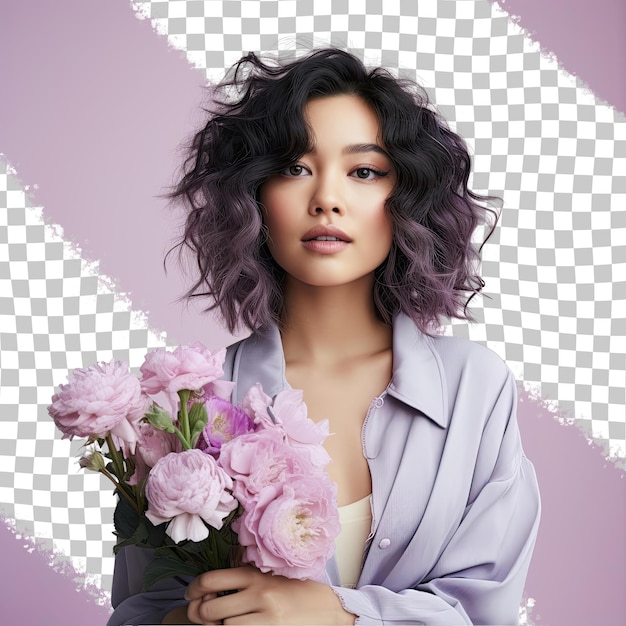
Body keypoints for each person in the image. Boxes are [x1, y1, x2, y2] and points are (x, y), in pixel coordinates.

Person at [108, 48, 540, 625]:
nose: (326, 199)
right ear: (254, 194)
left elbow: (485, 608)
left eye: (364, 171)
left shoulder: (474, 388)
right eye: (294, 168)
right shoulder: (190, 404)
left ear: (405, 195)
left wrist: (338, 614)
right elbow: (139, 610)